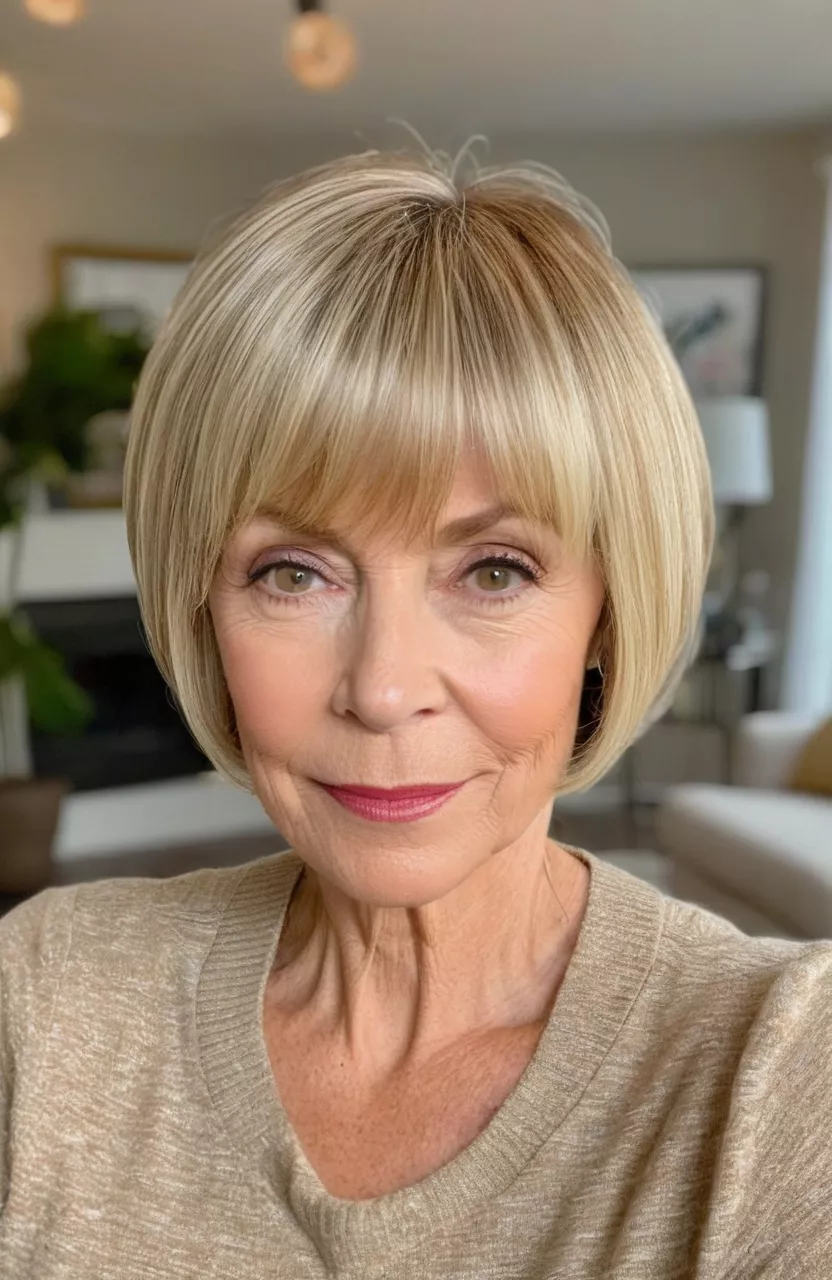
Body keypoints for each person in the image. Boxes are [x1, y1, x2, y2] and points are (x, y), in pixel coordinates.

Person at [1, 144, 830, 1280]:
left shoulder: (777, 1080)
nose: (384, 688)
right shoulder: (45, 998)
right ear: (202, 601)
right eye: (292, 570)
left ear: (605, 610)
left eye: (492, 569)